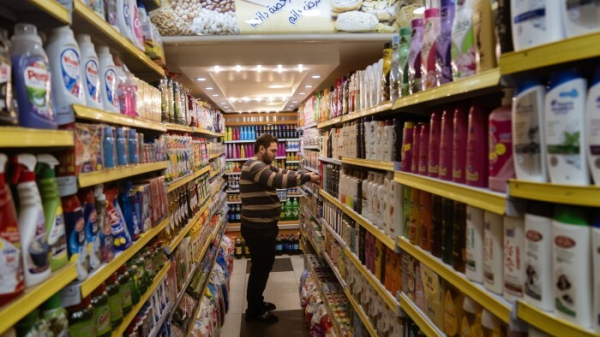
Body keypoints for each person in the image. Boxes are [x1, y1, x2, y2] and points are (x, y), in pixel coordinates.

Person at [240, 133, 319, 324]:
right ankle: (254, 311)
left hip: (263, 226)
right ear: (261, 149)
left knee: (264, 266)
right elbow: (277, 181)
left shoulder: (264, 165)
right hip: (257, 228)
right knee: (260, 268)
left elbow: (283, 173)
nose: (276, 154)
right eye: (273, 150)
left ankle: (257, 302)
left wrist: (302, 175)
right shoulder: (254, 166)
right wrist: (307, 177)